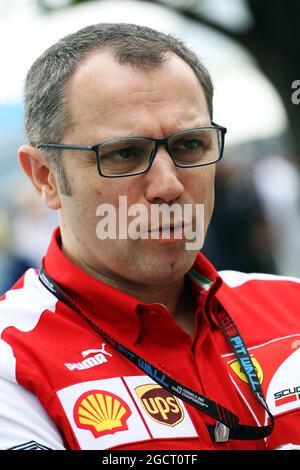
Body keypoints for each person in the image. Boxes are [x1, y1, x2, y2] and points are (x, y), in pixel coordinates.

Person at [0, 23, 300, 451]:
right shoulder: (11, 361)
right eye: (124, 153)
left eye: (190, 145)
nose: (169, 185)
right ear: (45, 177)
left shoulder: (291, 305)